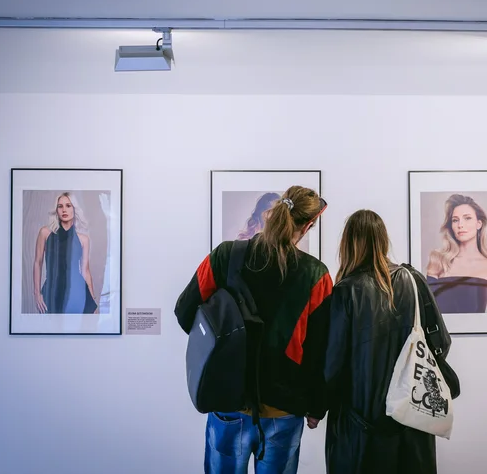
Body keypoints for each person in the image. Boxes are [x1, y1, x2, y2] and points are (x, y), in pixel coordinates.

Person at [174, 185, 333, 474]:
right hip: (283, 409)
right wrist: (317, 406)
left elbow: (185, 312)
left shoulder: (225, 255)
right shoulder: (316, 275)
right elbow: (320, 350)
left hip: (227, 402)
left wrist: (219, 353)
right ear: (308, 225)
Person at [324, 209, 453, 474]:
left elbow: (333, 363)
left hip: (361, 422)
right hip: (413, 415)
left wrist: (317, 406)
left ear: (348, 243)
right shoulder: (414, 280)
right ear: (383, 240)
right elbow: (441, 341)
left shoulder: (346, 291)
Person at [425, 193, 487, 313]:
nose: (460, 225)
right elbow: (427, 311)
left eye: (467, 218)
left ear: (479, 224)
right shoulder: (438, 261)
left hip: (477, 326)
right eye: (455, 220)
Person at [32, 192, 97, 314]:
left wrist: (92, 299)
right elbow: (37, 263)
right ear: (56, 210)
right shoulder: (45, 233)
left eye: (68, 205)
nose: (64, 210)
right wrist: (37, 293)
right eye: (60, 206)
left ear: (74, 209)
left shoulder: (83, 239)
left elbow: (85, 271)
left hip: (79, 293)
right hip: (52, 292)